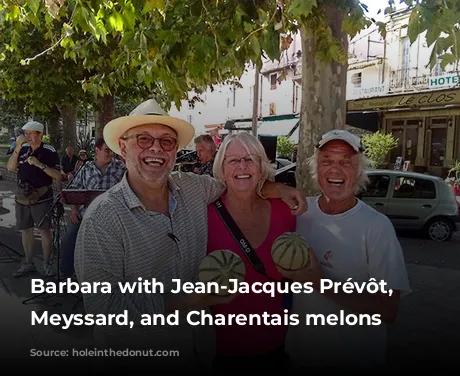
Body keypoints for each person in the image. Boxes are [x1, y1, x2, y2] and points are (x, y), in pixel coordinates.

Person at [73, 99, 306, 371]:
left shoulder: (195, 189)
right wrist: (193, 299)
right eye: (144, 139)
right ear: (123, 148)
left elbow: (238, 179)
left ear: (175, 151)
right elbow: (104, 309)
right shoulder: (103, 218)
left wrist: (279, 189)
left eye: (167, 141)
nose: (156, 148)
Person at [281, 130, 411, 371]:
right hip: (300, 356)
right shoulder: (300, 211)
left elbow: (387, 310)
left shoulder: (376, 226)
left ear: (359, 171)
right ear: (316, 168)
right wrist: (279, 190)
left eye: (345, 162)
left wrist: (320, 282)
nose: (334, 169)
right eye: (326, 160)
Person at [207, 132, 295, 370]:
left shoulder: (285, 211)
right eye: (233, 160)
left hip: (278, 347)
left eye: (250, 159)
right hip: (218, 351)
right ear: (222, 169)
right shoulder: (203, 215)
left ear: (261, 166)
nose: (242, 166)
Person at [59, 138, 126, 279]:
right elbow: (74, 190)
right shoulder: (86, 168)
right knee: (68, 240)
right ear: (97, 150)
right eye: (107, 150)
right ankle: (67, 275)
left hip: (113, 217)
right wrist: (74, 211)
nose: (110, 154)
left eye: (112, 151)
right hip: (86, 215)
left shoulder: (120, 167)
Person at [7, 121, 62, 277]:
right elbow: (10, 168)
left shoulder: (49, 150)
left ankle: (46, 264)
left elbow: (58, 175)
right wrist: (17, 147)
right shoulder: (22, 148)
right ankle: (28, 263)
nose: (27, 137)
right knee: (26, 230)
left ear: (40, 134)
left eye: (30, 133)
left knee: (44, 230)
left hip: (42, 196)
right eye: (26, 133)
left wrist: (39, 165)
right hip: (23, 195)